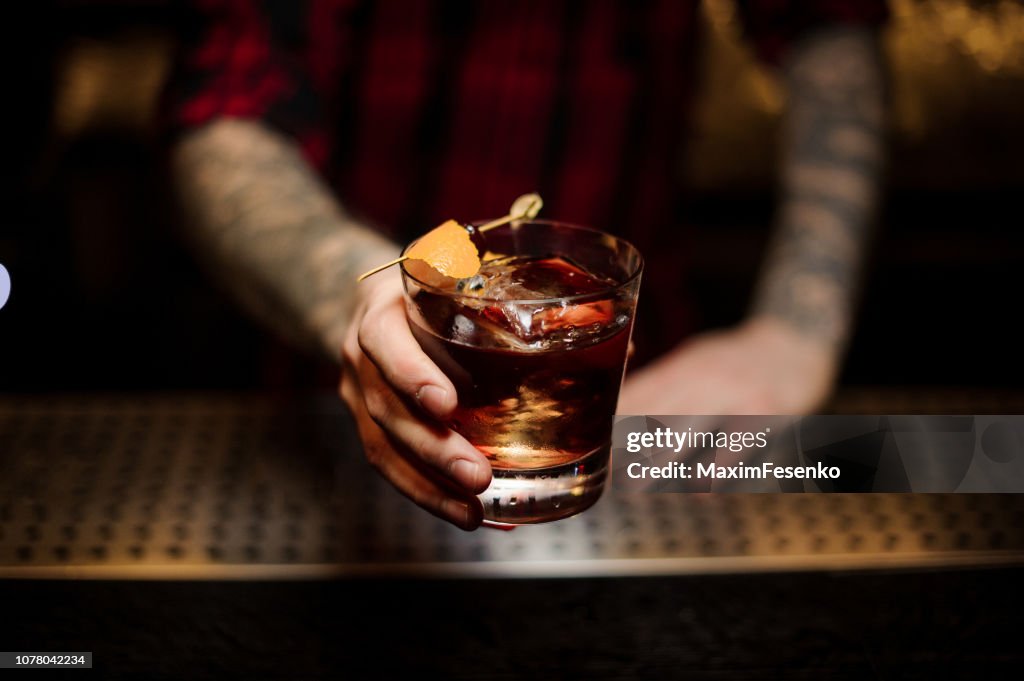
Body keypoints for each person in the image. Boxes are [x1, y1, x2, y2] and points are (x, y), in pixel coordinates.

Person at [168, 0, 888, 530]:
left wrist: (797, 327)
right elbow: (224, 105)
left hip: (643, 414)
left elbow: (830, 24)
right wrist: (351, 289)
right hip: (335, 410)